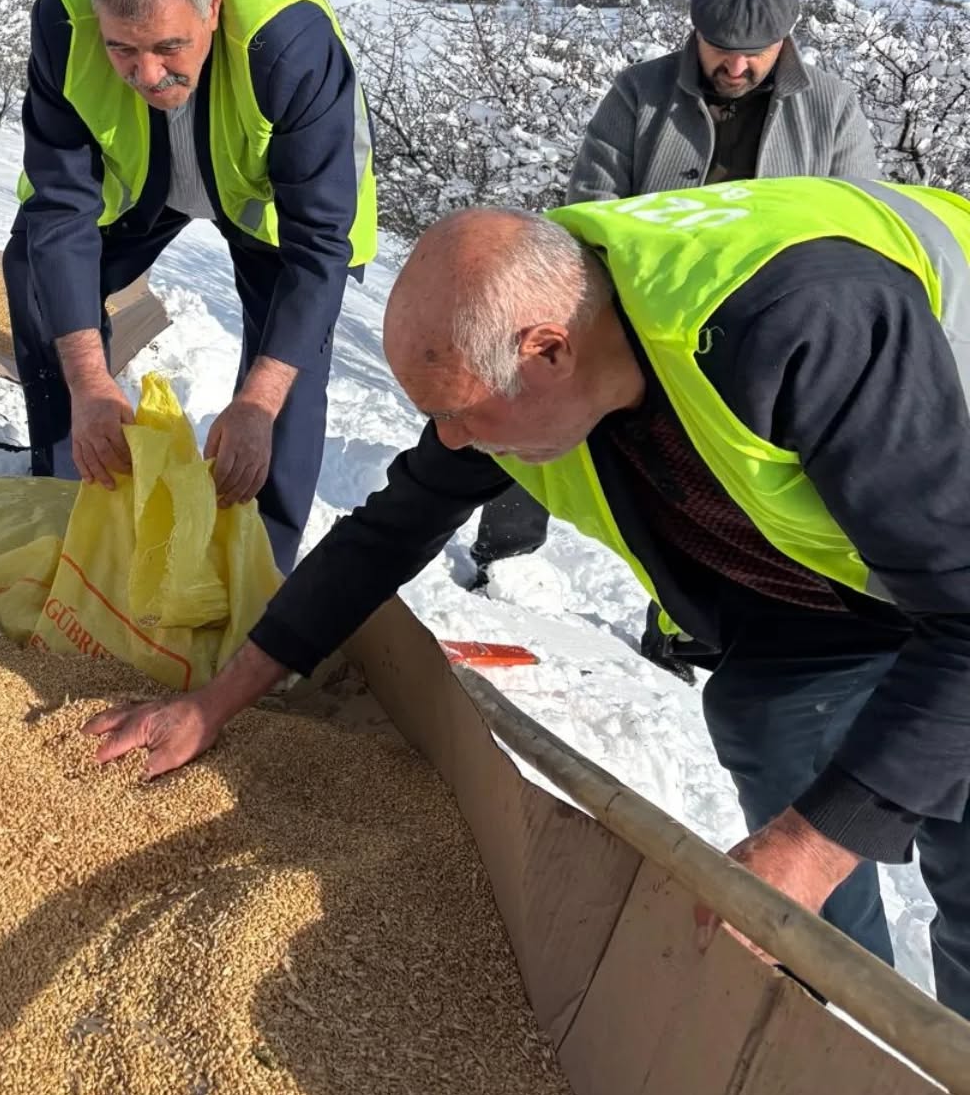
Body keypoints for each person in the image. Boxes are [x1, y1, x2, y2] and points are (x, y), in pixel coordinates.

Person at [87, 183, 970, 1018]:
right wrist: (215, 701)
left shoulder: (805, 328)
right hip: (827, 584)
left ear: (548, 351)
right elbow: (385, 536)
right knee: (767, 725)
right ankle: (839, 1028)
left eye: (462, 412)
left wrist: (809, 851)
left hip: (951, 534)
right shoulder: (544, 338)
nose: (451, 439)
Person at [471, 0, 880, 638]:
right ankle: (505, 556)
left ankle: (681, 629)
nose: (736, 66)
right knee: (535, 394)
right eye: (721, 49)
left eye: (755, 53)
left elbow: (858, 220)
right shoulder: (642, 92)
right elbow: (591, 201)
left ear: (785, 40)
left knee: (717, 482)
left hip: (762, 325)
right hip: (637, 305)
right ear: (695, 32)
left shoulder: (830, 107)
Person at [5, 0, 376, 573]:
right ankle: (75, 504)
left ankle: (258, 572)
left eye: (169, 47)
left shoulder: (288, 41)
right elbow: (59, 208)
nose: (148, 75)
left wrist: (258, 401)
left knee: (287, 371)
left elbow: (320, 243)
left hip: (269, 209)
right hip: (144, 189)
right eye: (123, 50)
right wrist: (89, 383)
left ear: (213, 5)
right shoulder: (63, 23)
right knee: (37, 279)